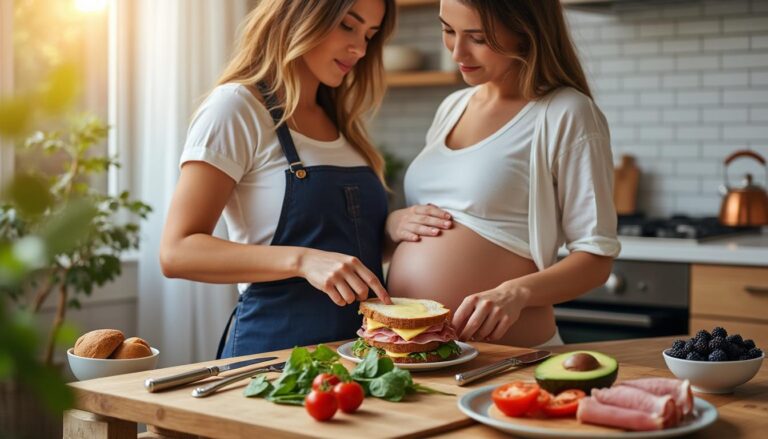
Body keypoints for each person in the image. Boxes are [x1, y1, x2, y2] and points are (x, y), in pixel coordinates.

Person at [160, 0, 395, 358]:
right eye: (348, 26)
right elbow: (177, 252)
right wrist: (302, 261)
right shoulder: (236, 108)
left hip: (357, 356)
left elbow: (348, 243)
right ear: (301, 14)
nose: (360, 49)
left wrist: (393, 227)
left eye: (369, 35)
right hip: (270, 361)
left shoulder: (344, 123)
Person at [385, 0, 621, 348]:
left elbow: (595, 259)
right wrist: (394, 225)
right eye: (448, 31)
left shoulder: (566, 113)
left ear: (526, 33)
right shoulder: (452, 107)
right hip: (417, 354)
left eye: (477, 38)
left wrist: (515, 293)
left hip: (512, 357)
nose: (456, 52)